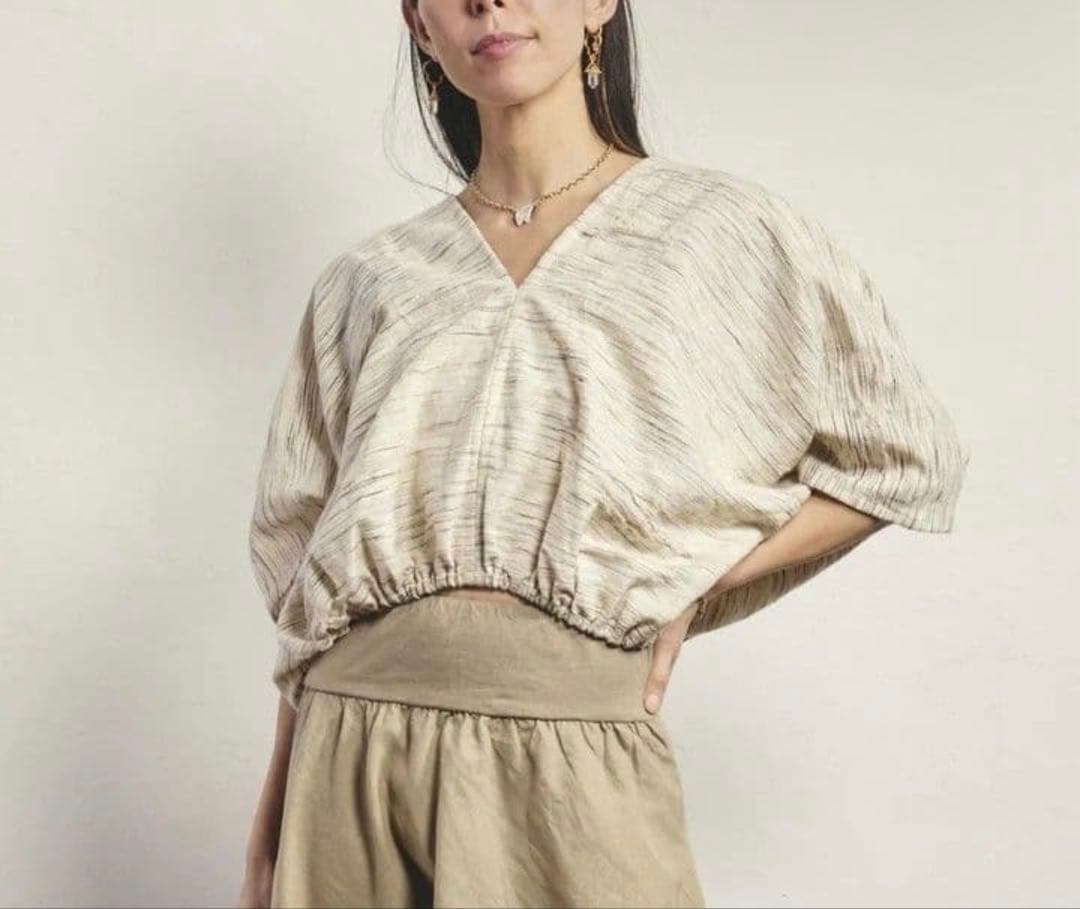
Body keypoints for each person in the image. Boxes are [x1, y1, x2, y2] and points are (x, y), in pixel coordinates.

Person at [237, 1, 971, 907]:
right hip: (345, 752)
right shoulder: (370, 280)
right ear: (419, 25)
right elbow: (308, 591)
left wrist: (695, 584)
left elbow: (904, 454)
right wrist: (268, 837)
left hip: (572, 740)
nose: (488, 1)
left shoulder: (721, 233)